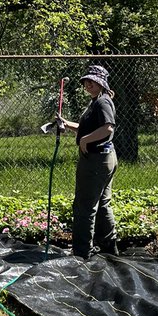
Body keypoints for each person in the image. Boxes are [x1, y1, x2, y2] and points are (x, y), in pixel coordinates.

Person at [57, 64, 118, 259]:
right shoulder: (96, 102)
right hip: (104, 158)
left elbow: (108, 128)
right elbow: (89, 128)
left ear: (102, 83)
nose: (88, 84)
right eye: (86, 81)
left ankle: (81, 252)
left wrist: (85, 140)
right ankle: (109, 247)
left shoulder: (103, 102)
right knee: (102, 203)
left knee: (84, 205)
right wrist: (67, 124)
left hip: (96, 160)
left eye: (93, 81)